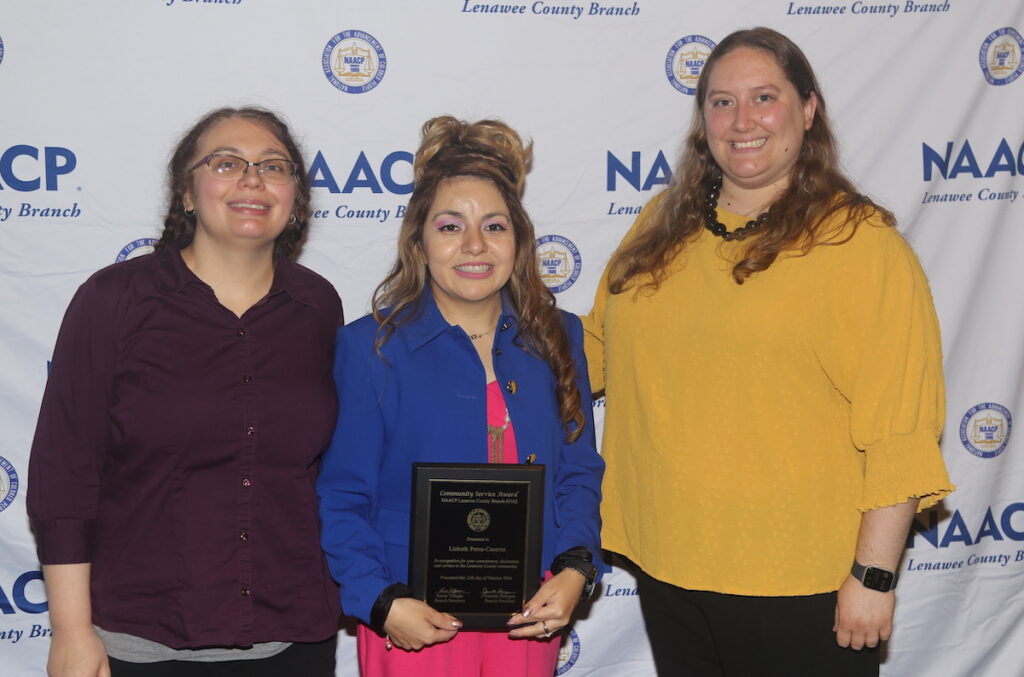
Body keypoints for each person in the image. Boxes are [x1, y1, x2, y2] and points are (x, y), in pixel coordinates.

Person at [584, 27, 954, 677]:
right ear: (703, 120)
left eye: (764, 97)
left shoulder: (860, 245)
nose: (742, 120)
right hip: (668, 561)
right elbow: (593, 350)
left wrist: (873, 574)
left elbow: (900, 426)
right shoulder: (659, 225)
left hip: (798, 582)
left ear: (807, 110)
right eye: (722, 101)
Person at [27, 106, 343, 677]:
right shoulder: (113, 301)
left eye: (274, 166)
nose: (252, 178)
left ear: (294, 196)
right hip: (142, 644)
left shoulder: (320, 308)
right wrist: (71, 631)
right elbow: (64, 475)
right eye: (227, 163)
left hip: (292, 641)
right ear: (188, 193)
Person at [317, 115, 604, 677]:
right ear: (419, 242)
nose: (475, 245)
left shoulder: (558, 334)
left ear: (518, 240)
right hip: (412, 616)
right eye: (450, 227)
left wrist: (576, 569)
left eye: (494, 226)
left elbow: (578, 472)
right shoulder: (369, 347)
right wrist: (381, 599)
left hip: (532, 611)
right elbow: (342, 495)